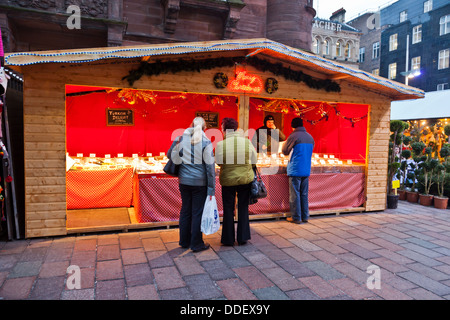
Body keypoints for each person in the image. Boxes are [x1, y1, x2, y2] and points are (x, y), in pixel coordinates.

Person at [167, 117, 215, 252]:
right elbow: (210, 169)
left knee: (185, 210)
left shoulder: (181, 138)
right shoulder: (206, 142)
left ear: (190, 125)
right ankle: (196, 243)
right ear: (205, 128)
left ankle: (184, 241)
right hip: (200, 183)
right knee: (197, 212)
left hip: (183, 181)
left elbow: (169, 154)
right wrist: (211, 189)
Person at [215, 117, 257, 246]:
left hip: (228, 180)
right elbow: (254, 160)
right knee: (243, 207)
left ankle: (228, 239)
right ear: (236, 128)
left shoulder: (220, 144)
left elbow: (219, 162)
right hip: (245, 179)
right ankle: (243, 237)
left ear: (223, 129)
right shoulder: (247, 142)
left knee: (228, 209)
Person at [282, 117, 314, 224]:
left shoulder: (293, 136)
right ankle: (305, 216)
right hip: (306, 169)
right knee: (304, 194)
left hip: (295, 169)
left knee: (294, 194)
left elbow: (285, 151)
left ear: (292, 126)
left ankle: (296, 217)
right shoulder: (310, 137)